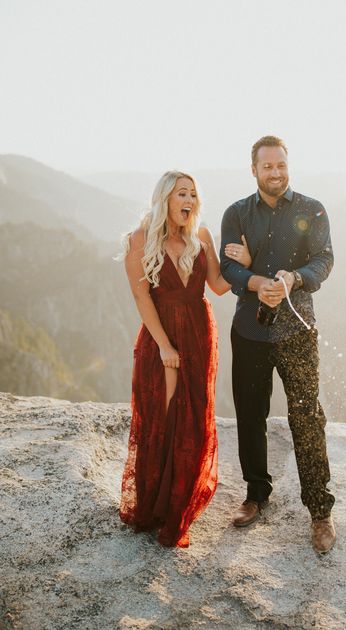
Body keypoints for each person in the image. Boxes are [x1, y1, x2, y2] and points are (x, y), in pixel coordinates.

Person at [119, 170, 250, 548]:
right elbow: (142, 298)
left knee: (193, 416)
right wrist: (163, 346)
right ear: (165, 200)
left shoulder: (202, 236)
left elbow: (220, 287)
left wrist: (247, 259)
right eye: (181, 193)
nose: (189, 200)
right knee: (163, 415)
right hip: (161, 336)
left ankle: (178, 507)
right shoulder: (140, 240)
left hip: (198, 333)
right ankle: (154, 507)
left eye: (193, 193)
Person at [220, 135, 337, 554]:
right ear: (254, 170)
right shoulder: (235, 213)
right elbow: (227, 266)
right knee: (251, 416)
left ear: (288, 165)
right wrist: (255, 281)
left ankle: (320, 511)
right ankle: (256, 496)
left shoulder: (312, 208)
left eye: (281, 165)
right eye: (267, 166)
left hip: (297, 328)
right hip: (249, 330)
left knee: (307, 417)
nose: (276, 172)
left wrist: (291, 278)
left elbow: (324, 259)